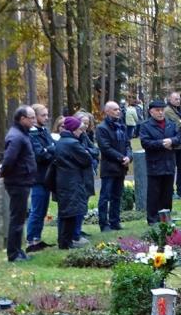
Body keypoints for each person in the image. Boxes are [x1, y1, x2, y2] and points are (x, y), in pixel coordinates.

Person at [0, 106, 37, 262]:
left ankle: (18, 251)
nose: (34, 120)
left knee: (20, 218)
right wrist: (3, 173)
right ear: (22, 119)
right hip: (17, 182)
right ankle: (13, 254)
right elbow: (9, 160)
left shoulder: (22, 134)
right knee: (17, 219)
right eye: (32, 117)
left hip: (22, 180)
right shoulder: (16, 137)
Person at [54, 116, 95, 249]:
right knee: (71, 212)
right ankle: (66, 242)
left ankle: (64, 241)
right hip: (72, 180)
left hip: (64, 180)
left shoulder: (61, 141)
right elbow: (87, 159)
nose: (81, 132)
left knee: (66, 212)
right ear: (72, 130)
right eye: (79, 130)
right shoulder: (72, 143)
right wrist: (87, 152)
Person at [140, 99, 181, 225]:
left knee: (167, 193)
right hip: (155, 164)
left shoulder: (171, 124)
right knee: (154, 193)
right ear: (151, 112)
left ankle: (166, 217)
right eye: (157, 110)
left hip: (169, 163)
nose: (160, 113)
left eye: (162, 110)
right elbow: (145, 143)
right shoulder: (146, 126)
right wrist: (163, 143)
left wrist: (172, 141)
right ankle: (152, 219)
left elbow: (179, 137)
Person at [96, 101, 132, 232]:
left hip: (121, 167)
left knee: (117, 196)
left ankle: (115, 221)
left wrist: (129, 156)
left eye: (119, 109)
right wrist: (122, 157)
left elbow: (128, 144)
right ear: (107, 111)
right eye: (115, 109)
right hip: (109, 167)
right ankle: (103, 223)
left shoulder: (121, 126)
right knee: (105, 196)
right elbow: (105, 148)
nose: (118, 111)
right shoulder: (102, 128)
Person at [25, 104, 55, 252]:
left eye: (47, 114)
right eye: (43, 115)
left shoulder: (44, 131)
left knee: (43, 210)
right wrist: (49, 150)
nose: (46, 118)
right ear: (35, 116)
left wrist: (48, 150)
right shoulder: (31, 134)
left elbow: (52, 148)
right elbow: (39, 155)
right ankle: (31, 240)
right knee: (37, 210)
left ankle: (37, 238)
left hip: (47, 176)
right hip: (37, 177)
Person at [72, 111, 99, 245]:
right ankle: (75, 233)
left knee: (84, 203)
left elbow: (95, 151)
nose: (85, 126)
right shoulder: (74, 138)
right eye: (83, 123)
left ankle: (78, 230)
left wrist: (89, 154)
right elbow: (84, 154)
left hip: (88, 173)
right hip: (79, 176)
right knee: (78, 203)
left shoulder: (85, 136)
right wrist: (88, 154)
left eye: (88, 123)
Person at [164, 92, 181, 199]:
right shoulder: (168, 110)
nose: (178, 101)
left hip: (180, 144)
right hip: (172, 143)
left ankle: (180, 189)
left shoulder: (180, 110)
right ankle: (170, 191)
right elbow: (178, 124)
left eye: (179, 99)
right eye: (176, 99)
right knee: (171, 168)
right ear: (170, 99)